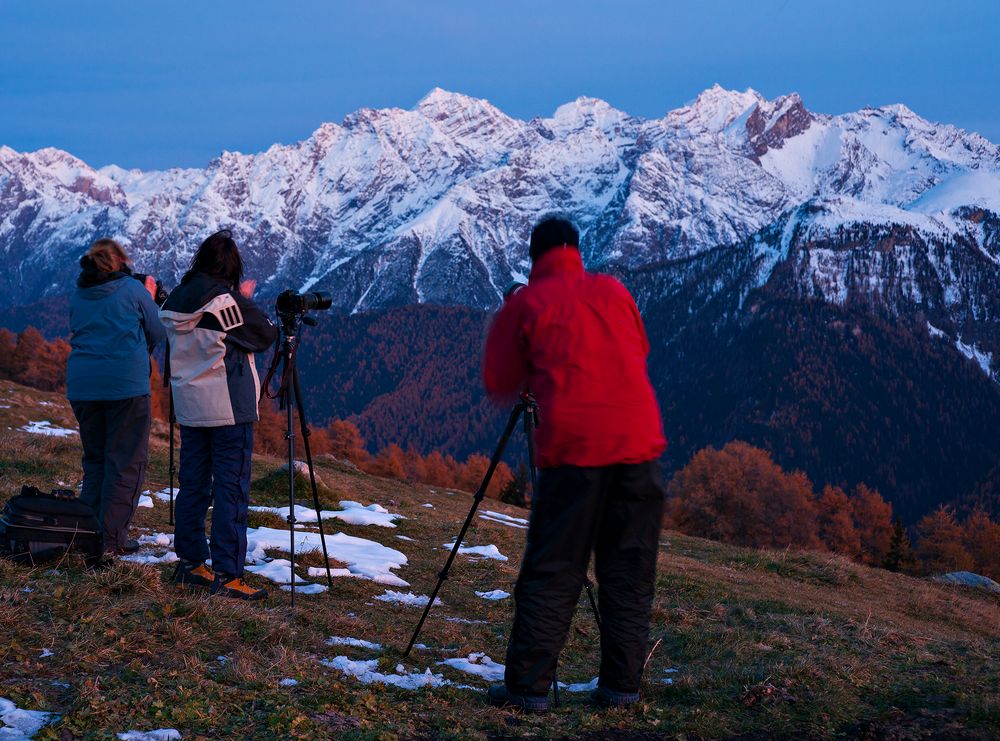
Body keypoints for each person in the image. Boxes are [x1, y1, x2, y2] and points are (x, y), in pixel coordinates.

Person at [482, 216, 667, 711]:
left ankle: (528, 690)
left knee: (554, 570)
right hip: (641, 444)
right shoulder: (613, 290)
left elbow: (499, 380)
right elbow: (640, 349)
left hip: (575, 453)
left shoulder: (527, 303)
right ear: (577, 251)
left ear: (533, 257)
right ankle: (621, 688)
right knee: (628, 572)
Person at [159, 230, 277, 600]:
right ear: (232, 267)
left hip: (190, 407)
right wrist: (243, 299)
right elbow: (262, 335)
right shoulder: (223, 301)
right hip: (227, 408)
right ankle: (229, 574)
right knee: (231, 490)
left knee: (194, 485)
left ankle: (191, 564)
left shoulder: (178, 298)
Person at [66, 238, 165, 557]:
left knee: (95, 460)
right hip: (125, 388)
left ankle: (86, 532)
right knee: (125, 463)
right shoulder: (134, 290)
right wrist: (149, 297)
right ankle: (109, 540)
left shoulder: (79, 292)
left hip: (82, 387)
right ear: (120, 262)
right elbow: (157, 333)